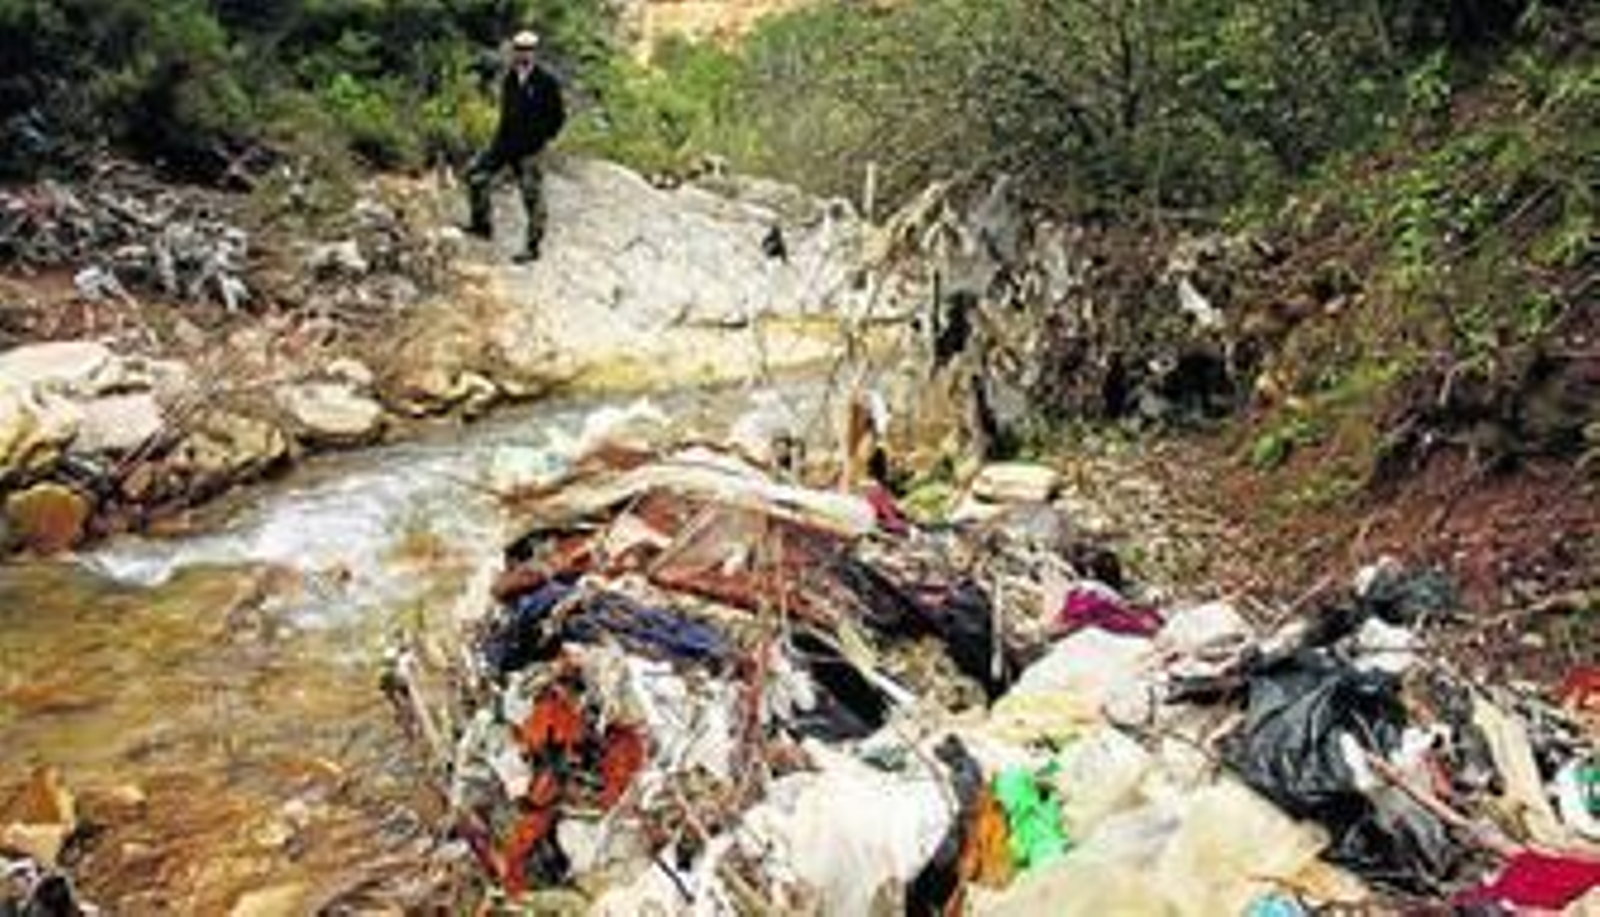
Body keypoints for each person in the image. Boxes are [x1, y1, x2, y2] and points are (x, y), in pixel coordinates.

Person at [464, 30, 566, 263]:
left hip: (530, 149)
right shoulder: (510, 77)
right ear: (514, 51)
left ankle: (532, 247)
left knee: (533, 198)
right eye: (519, 49)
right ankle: (482, 225)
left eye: (528, 49)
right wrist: (497, 142)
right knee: (474, 175)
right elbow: (505, 114)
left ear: (535, 52)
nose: (523, 53)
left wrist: (542, 138)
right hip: (504, 144)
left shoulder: (546, 81)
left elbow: (558, 116)